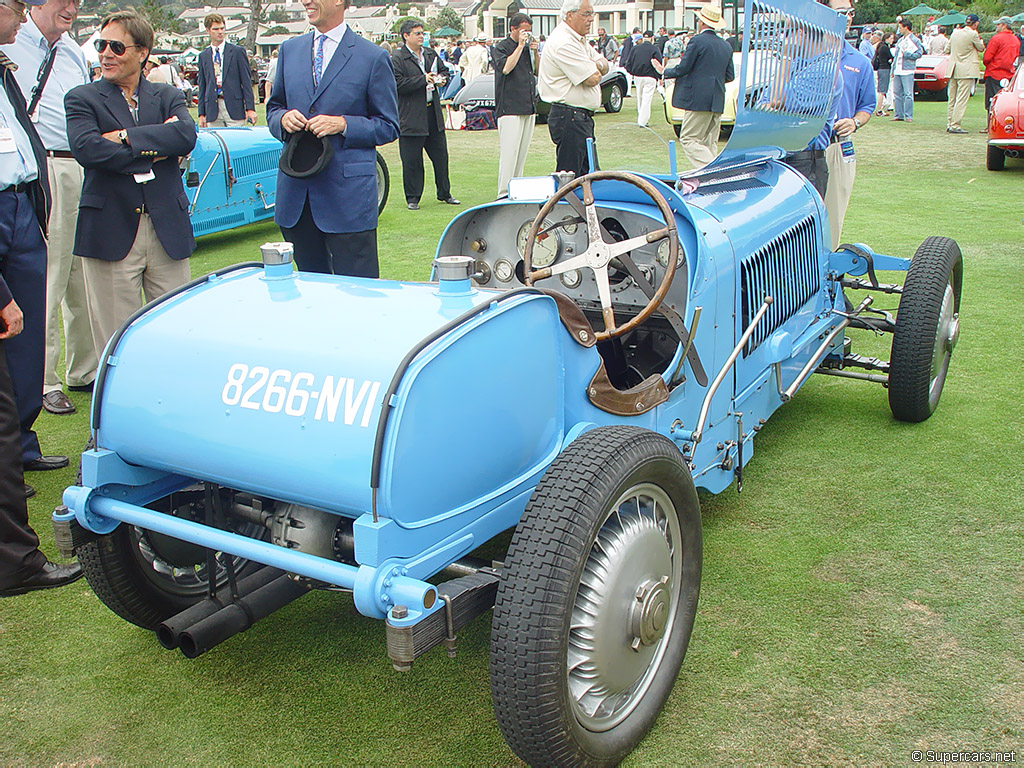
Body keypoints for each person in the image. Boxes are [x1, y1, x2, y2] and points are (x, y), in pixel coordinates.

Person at [65, 11, 197, 360]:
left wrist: (124, 138)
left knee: (176, 329)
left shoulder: (168, 94)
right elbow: (88, 150)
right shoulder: (82, 98)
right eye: (100, 45)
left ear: (142, 53)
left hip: (166, 224)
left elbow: (185, 136)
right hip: (110, 229)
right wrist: (155, 148)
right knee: (116, 340)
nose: (106, 54)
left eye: (116, 47)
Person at [3, 0, 94, 422]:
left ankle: (83, 369)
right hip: (42, 170)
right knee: (48, 278)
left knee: (82, 274)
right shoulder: (14, 43)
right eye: (63, 1)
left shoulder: (74, 50)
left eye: (77, 2)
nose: (72, 7)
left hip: (81, 164)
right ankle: (45, 382)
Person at [267, 0, 398, 275]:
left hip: (348, 201)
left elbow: (388, 125)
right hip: (297, 198)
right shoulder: (289, 50)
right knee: (309, 294)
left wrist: (343, 124)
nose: (305, 1)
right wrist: (282, 118)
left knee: (358, 294)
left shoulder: (372, 57)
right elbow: (273, 108)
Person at [821, 0, 875, 249]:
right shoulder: (805, 53)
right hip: (803, 147)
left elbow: (867, 107)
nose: (847, 18)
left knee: (833, 217)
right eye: (841, 12)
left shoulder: (860, 62)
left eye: (849, 13)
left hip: (838, 147)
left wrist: (854, 122)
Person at [652, 5, 733, 169]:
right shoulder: (725, 45)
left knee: (689, 138)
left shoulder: (697, 41)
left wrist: (664, 71)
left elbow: (683, 68)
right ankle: (711, 177)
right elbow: (729, 76)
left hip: (697, 99)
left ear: (701, 22)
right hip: (717, 99)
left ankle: (713, 171)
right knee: (709, 142)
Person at [537, 0, 609, 179]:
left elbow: (605, 66)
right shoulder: (563, 41)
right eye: (586, 14)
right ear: (569, 15)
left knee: (590, 176)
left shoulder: (578, 40)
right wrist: (595, 66)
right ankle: (564, 208)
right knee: (571, 181)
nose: (591, 19)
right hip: (569, 117)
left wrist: (595, 65)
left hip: (579, 118)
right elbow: (592, 78)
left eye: (592, 14)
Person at [393, 20, 459, 211]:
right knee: (412, 160)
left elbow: (444, 70)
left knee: (441, 156)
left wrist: (441, 79)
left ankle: (445, 193)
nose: (421, 36)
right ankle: (412, 198)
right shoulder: (398, 58)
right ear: (406, 36)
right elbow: (397, 84)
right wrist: (423, 80)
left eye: (423, 33)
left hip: (432, 112)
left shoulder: (430, 53)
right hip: (411, 115)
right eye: (417, 33)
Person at [492, 13, 538, 197]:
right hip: (509, 107)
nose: (526, 34)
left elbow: (536, 71)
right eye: (523, 30)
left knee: (521, 154)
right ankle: (503, 192)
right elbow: (505, 68)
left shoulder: (527, 49)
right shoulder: (501, 48)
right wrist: (520, 46)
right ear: (513, 29)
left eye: (529, 30)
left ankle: (516, 190)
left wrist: (534, 51)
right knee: (509, 153)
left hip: (527, 105)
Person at [197, 13, 256, 128]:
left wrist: (250, 108)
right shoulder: (204, 56)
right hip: (212, 108)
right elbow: (202, 85)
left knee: (237, 141)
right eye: (216, 29)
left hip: (234, 106)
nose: (220, 32)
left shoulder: (237, 52)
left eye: (222, 28)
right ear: (208, 31)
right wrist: (201, 113)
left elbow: (246, 82)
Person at [945, 14, 982, 134]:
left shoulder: (955, 33)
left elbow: (947, 49)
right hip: (966, 69)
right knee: (961, 98)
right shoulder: (973, 34)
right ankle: (955, 125)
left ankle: (950, 122)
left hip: (953, 68)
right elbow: (981, 47)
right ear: (975, 24)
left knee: (952, 98)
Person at [983, 18, 1018, 118]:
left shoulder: (996, 38)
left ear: (1003, 25)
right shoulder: (1015, 39)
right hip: (1009, 74)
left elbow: (987, 58)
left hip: (994, 73)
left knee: (991, 101)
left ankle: (990, 125)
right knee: (1006, 102)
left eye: (998, 24)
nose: (996, 26)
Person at [891, 18, 923, 122]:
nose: (899, 30)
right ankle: (898, 114)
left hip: (907, 69)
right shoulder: (900, 40)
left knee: (908, 93)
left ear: (906, 28)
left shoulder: (915, 40)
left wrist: (907, 54)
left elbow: (919, 53)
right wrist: (893, 69)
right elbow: (896, 56)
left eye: (901, 28)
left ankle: (908, 115)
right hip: (898, 69)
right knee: (897, 93)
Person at [628, 30, 660, 128]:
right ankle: (643, 121)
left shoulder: (635, 49)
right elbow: (658, 64)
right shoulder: (654, 49)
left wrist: (633, 72)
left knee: (640, 98)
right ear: (652, 38)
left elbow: (629, 62)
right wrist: (658, 77)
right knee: (646, 99)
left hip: (638, 76)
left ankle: (641, 119)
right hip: (650, 76)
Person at [872, 31, 893, 116]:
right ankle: (879, 109)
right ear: (887, 38)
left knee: (881, 89)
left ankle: (879, 108)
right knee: (882, 90)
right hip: (884, 68)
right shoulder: (885, 47)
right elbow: (891, 57)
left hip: (880, 68)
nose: (892, 40)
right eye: (891, 38)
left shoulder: (880, 46)